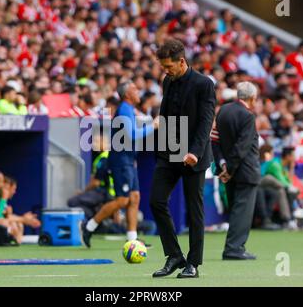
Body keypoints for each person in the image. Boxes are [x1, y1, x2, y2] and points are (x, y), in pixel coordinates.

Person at [150, 39, 215, 278]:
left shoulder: (204, 84)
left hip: (193, 155)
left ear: (182, 61)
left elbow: (206, 120)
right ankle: (175, 256)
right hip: (169, 152)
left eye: (169, 66)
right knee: (156, 201)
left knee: (194, 209)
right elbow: (166, 113)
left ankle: (193, 264)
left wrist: (195, 152)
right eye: (163, 67)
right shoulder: (168, 80)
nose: (166, 71)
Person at [80, 81, 158, 248]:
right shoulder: (124, 109)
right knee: (122, 200)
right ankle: (88, 226)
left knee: (134, 198)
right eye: (135, 89)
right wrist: (153, 126)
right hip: (120, 160)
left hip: (129, 159)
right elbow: (132, 134)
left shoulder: (129, 109)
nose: (138, 92)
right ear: (127, 94)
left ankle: (132, 239)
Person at [211, 81, 260, 260]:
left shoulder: (223, 110)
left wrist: (222, 165)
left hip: (228, 171)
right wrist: (230, 168)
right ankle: (234, 248)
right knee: (243, 212)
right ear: (252, 98)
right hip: (245, 171)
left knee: (235, 210)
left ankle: (233, 246)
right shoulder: (248, 116)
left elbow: (214, 140)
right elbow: (242, 147)